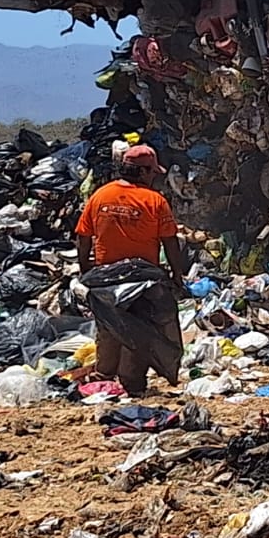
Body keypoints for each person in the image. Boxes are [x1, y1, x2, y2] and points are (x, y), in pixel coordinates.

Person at [74, 144, 188, 395]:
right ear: (144, 171)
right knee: (139, 329)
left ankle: (104, 374)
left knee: (108, 327)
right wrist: (177, 276)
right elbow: (170, 241)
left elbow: (83, 237)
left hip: (105, 279)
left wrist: (86, 272)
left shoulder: (100, 195)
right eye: (152, 172)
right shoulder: (155, 201)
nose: (154, 177)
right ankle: (131, 381)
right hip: (142, 282)